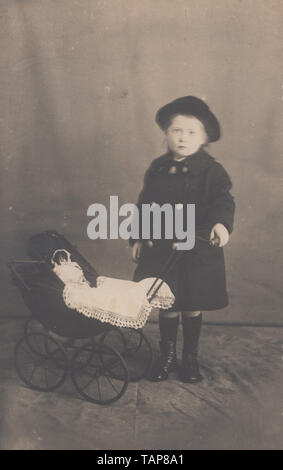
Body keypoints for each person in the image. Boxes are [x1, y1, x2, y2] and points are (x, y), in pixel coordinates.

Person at [130, 96, 235, 383]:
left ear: (204, 138)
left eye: (191, 132)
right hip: (163, 249)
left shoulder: (212, 171)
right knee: (167, 302)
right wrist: (138, 238)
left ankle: (190, 358)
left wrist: (221, 224)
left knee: (191, 302)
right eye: (177, 131)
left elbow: (222, 201)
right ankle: (167, 356)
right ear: (166, 134)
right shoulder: (158, 169)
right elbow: (144, 205)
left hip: (197, 249)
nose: (183, 138)